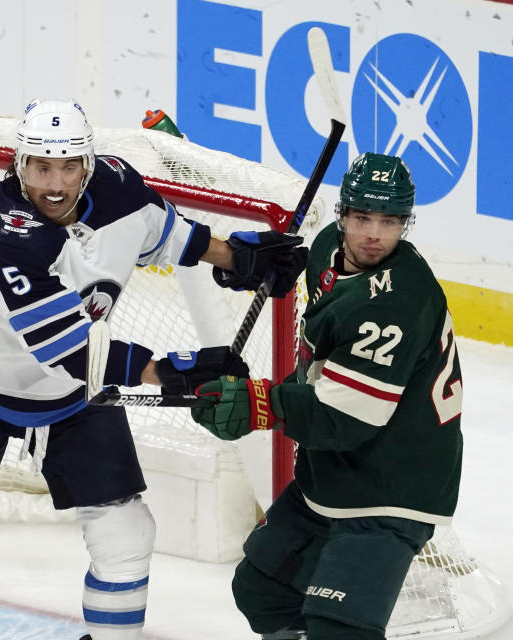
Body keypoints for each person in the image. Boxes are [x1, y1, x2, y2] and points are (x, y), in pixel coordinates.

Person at [0, 98, 309, 640]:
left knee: (126, 534)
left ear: (89, 164)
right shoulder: (4, 237)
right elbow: (68, 350)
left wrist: (239, 259)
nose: (56, 182)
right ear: (19, 166)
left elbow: (171, 236)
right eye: (41, 167)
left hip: (68, 395)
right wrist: (171, 371)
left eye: (69, 166)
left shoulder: (120, 189)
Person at [190, 152, 463, 640]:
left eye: (389, 221)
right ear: (342, 216)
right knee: (262, 590)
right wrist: (261, 264)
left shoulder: (399, 300)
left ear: (406, 223)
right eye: (362, 218)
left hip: (393, 486)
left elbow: (345, 417)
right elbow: (319, 298)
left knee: (339, 630)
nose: (374, 234)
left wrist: (260, 403)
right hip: (332, 473)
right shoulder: (325, 250)